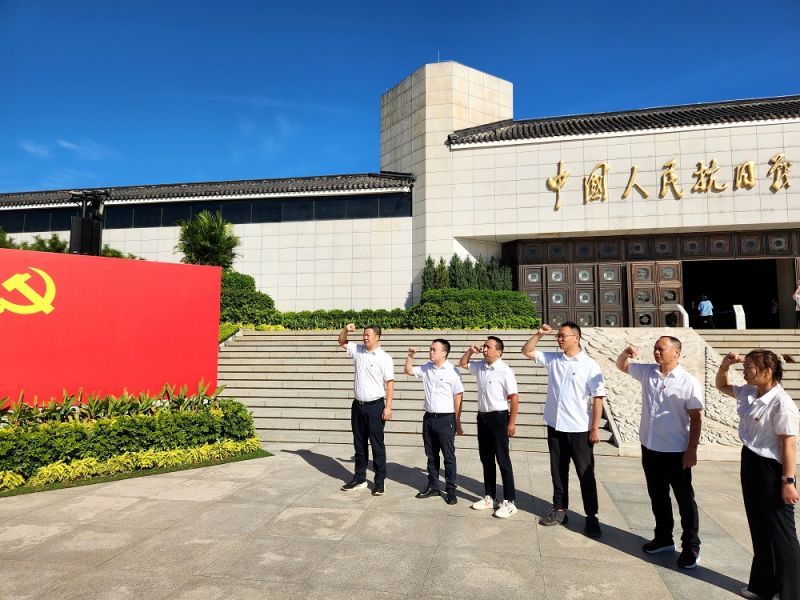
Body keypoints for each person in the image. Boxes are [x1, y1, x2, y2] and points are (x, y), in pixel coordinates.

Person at [716, 350, 799, 600]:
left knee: (782, 533)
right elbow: (722, 385)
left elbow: (788, 445)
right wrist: (724, 366)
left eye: (750, 367)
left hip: (772, 469)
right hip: (750, 460)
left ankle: (792, 593)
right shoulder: (750, 392)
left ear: (767, 371)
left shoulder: (782, 403)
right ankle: (763, 586)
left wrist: (788, 481)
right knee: (759, 527)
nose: (745, 371)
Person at [616, 336, 704, 569]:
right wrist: (626, 353)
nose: (657, 352)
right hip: (650, 446)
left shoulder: (688, 381)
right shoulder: (648, 372)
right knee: (658, 495)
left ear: (676, 352)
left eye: (661, 349)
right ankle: (664, 538)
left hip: (677, 451)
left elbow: (696, 419)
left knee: (684, 499)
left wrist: (692, 450)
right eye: (655, 348)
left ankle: (691, 545)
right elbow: (622, 366)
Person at [521, 322, 606, 538]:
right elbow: (527, 351)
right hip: (556, 426)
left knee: (585, 474)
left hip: (579, 429)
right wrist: (539, 334)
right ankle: (559, 509)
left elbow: (598, 399)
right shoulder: (553, 359)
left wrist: (594, 428)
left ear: (576, 338)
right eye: (558, 336)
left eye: (563, 336)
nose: (559, 339)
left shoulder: (589, 365)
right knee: (558, 472)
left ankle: (591, 517)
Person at [459, 336, 519, 518]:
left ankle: (509, 502)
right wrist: (470, 350)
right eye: (484, 346)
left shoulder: (505, 371)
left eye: (489, 347)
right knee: (486, 459)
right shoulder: (481, 366)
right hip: (482, 417)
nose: (485, 349)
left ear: (499, 351)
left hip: (499, 418)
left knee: (503, 459)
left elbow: (514, 398)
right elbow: (462, 364)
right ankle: (490, 496)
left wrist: (511, 422)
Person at [404, 339, 464, 505]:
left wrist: (457, 421)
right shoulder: (426, 368)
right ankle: (433, 486)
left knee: (449, 457)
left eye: (434, 350)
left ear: (444, 352)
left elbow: (458, 395)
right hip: (429, 418)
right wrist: (410, 355)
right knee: (431, 456)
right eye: (430, 349)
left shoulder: (453, 371)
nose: (430, 352)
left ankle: (451, 489)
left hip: (446, 419)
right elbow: (408, 370)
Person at [338, 323, 394, 495]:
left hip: (375, 407)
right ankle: (359, 478)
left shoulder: (384, 358)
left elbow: (389, 383)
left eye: (368, 335)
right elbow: (341, 341)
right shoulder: (358, 350)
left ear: (378, 337)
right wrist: (346, 330)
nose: (364, 337)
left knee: (377, 446)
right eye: (363, 334)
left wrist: (388, 407)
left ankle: (379, 482)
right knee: (359, 444)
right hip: (358, 406)